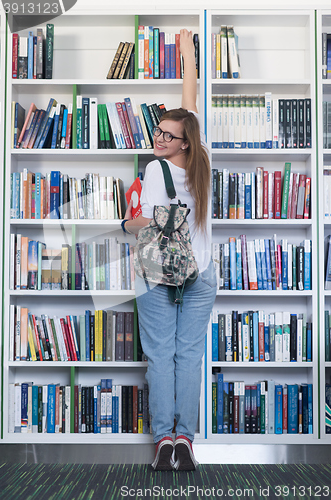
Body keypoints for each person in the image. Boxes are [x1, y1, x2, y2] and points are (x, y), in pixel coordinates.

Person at [121, 29, 217, 471]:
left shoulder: (155, 170)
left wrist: (126, 222)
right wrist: (188, 57)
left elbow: (149, 224)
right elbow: (190, 103)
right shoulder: (203, 159)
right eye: (157, 130)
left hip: (158, 274)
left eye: (165, 134)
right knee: (187, 356)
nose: (158, 137)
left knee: (160, 355)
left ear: (180, 142)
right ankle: (185, 441)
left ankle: (163, 440)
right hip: (203, 273)